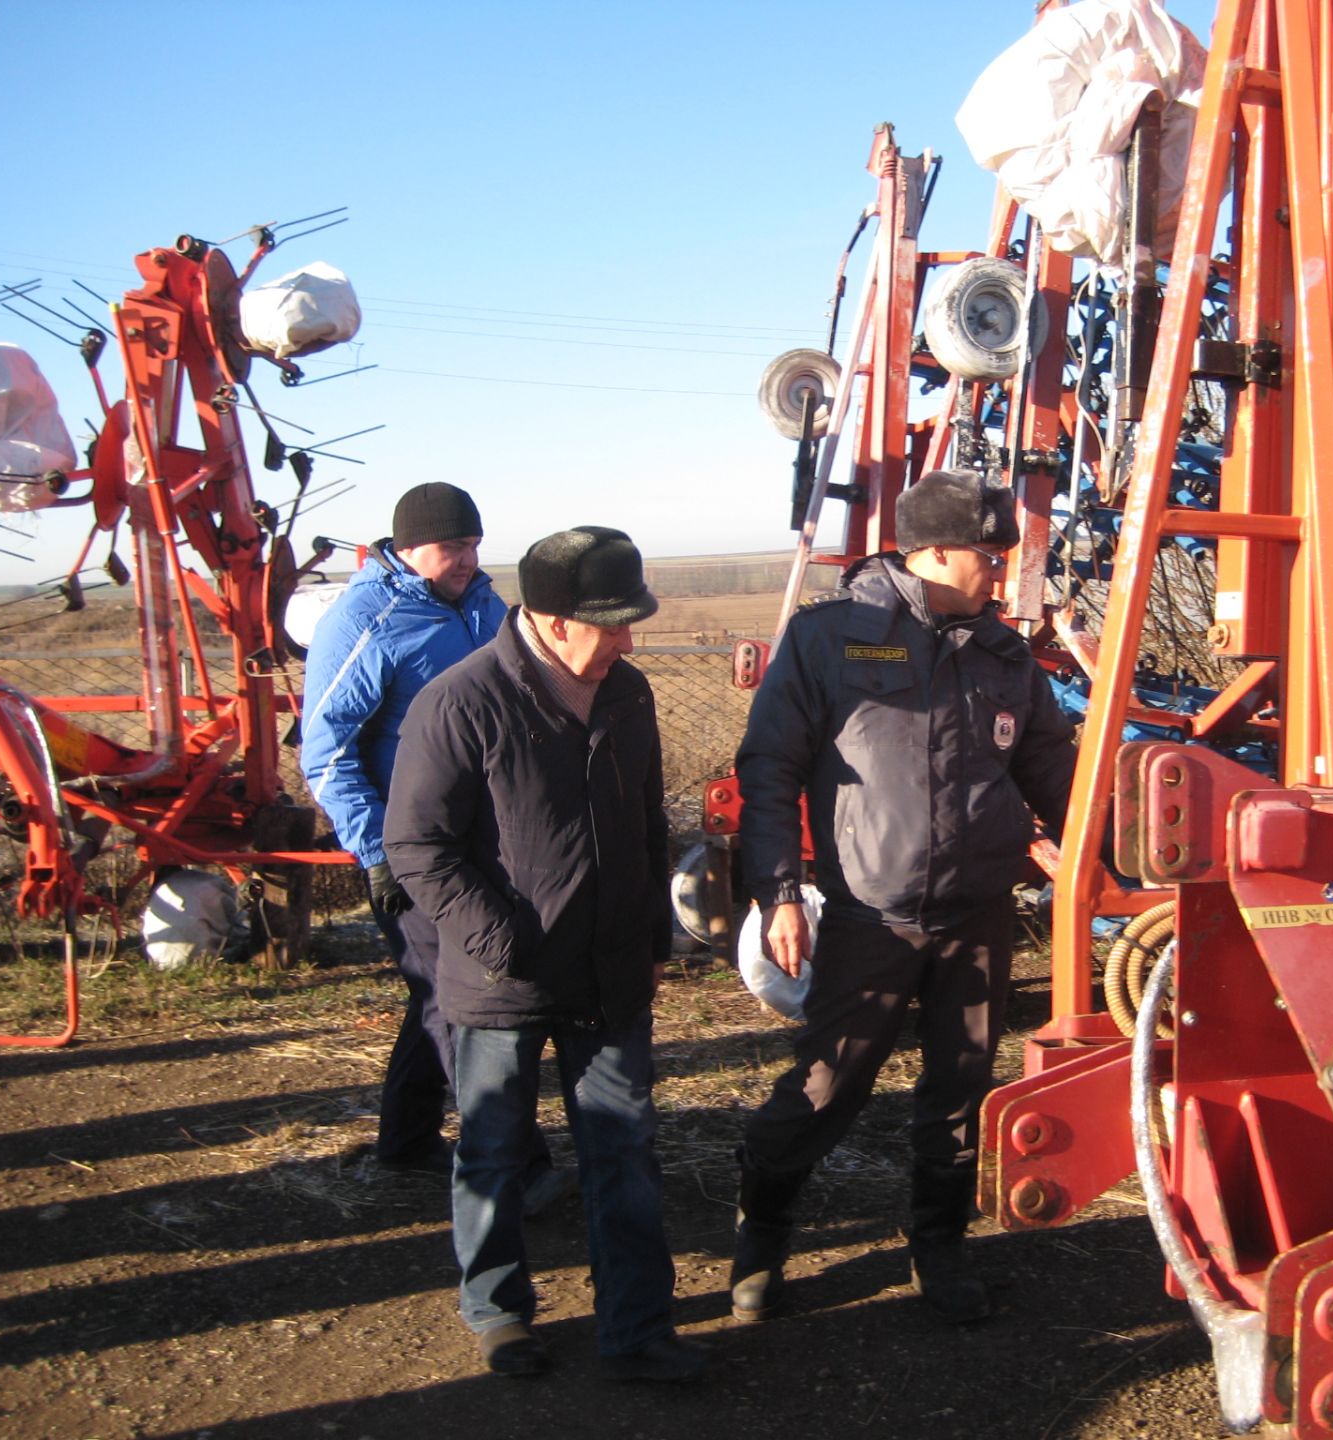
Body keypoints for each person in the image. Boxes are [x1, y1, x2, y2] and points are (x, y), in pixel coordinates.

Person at [730, 469, 1078, 1325]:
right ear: (933, 551)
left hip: (979, 913)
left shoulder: (1002, 653)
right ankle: (761, 1236)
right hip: (870, 913)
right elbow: (768, 767)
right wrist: (776, 891)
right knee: (827, 1083)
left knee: (961, 1089)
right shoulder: (832, 641)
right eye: (989, 556)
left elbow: (1051, 768)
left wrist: (1098, 846)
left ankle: (941, 1245)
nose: (1002, 571)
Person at [384, 526, 706, 1383]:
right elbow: (417, 846)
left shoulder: (627, 695)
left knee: (625, 1149)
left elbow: (644, 827)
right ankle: (498, 1312)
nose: (629, 641)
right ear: (553, 621)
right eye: (613, 623)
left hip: (608, 976)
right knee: (493, 1149)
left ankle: (636, 1326)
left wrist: (650, 943)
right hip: (502, 981)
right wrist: (504, 944)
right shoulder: (461, 702)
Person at [302, 481, 569, 1202]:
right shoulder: (365, 618)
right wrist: (378, 850)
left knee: (435, 990)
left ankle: (405, 1140)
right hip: (413, 849)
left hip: (488, 840)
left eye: (474, 544)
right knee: (463, 998)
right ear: (407, 547)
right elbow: (325, 750)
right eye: (453, 547)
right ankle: (519, 1165)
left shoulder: (483, 605)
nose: (467, 558)